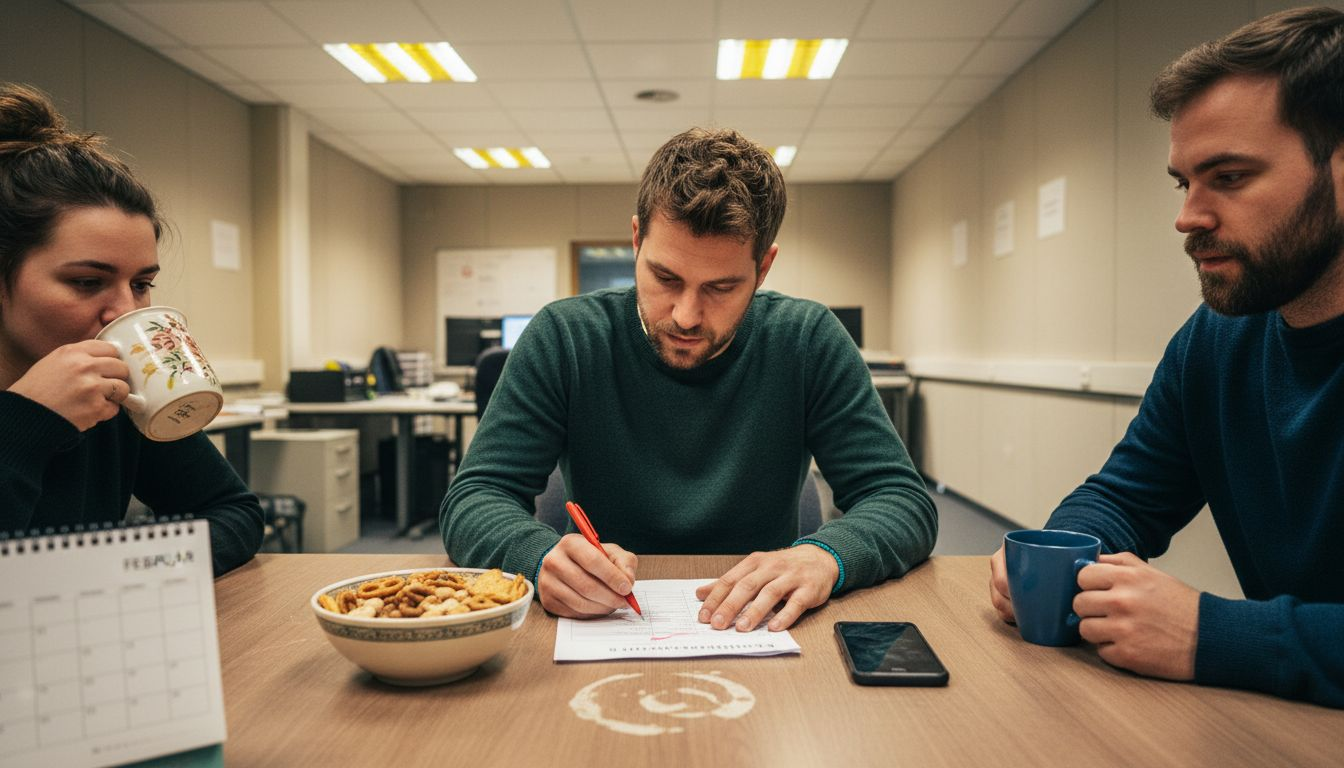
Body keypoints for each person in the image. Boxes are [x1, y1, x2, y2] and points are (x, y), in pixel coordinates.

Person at [441, 127, 936, 632]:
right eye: (665, 278)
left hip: (762, 628)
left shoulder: (806, 340)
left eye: (721, 287)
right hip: (597, 625)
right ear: (637, 241)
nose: (686, 315)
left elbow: (900, 499)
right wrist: (537, 555)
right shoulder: (565, 337)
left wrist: (826, 557)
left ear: (763, 268)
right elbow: (476, 495)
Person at [988, 7, 1344, 708]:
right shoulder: (1216, 341)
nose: (1189, 216)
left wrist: (1214, 633)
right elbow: (1124, 495)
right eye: (1185, 183)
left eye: (1230, 177)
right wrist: (1066, 549)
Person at [0, 83, 263, 575]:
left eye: (142, 284)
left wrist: (123, 576)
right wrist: (27, 421)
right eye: (86, 282)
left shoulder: (120, 394)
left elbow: (233, 511)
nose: (123, 311)